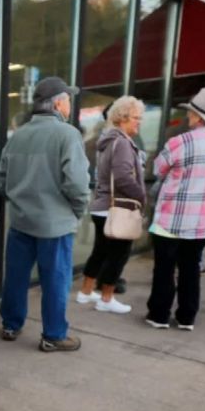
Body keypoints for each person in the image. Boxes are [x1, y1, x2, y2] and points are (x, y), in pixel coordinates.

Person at [0, 77, 91, 352]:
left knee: (15, 277)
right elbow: (76, 182)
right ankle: (53, 335)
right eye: (68, 100)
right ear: (58, 103)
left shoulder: (18, 136)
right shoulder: (67, 134)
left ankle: (11, 325)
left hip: (22, 220)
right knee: (55, 281)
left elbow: (3, 179)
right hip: (55, 223)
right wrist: (77, 210)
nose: (69, 105)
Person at [146, 88, 205, 331]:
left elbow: (158, 169)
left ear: (197, 116)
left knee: (164, 267)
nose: (188, 117)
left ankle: (159, 315)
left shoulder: (181, 141)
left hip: (172, 217)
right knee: (191, 267)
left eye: (191, 113)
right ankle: (187, 317)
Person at [76, 96, 147, 314]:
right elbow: (124, 178)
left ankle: (86, 292)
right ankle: (106, 298)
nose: (139, 122)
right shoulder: (123, 143)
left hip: (102, 206)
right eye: (136, 117)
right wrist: (141, 196)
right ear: (123, 118)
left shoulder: (108, 140)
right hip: (116, 208)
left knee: (100, 251)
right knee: (118, 255)